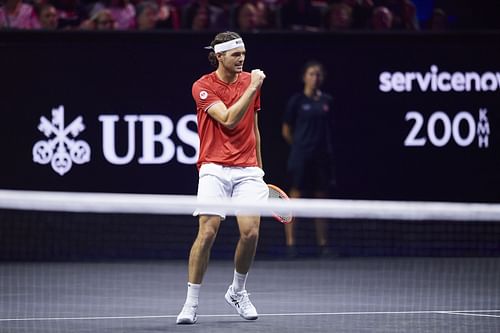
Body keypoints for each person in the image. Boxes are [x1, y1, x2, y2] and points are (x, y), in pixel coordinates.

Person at [176, 31, 268, 325]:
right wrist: (252, 87)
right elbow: (228, 118)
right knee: (208, 232)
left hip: (248, 169)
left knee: (250, 232)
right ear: (220, 57)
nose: (242, 59)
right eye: (235, 55)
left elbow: (253, 127)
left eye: (243, 53)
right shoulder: (202, 86)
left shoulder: (249, 82)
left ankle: (238, 292)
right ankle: (191, 303)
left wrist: (261, 171)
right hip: (213, 166)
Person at [281, 60, 335, 258]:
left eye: (318, 74)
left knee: (321, 200)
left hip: (322, 158)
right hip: (300, 158)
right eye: (312, 74)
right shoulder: (296, 101)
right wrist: (299, 147)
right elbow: (286, 130)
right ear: (304, 77)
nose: (315, 78)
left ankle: (323, 244)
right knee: (295, 198)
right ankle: (291, 245)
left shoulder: (327, 101)